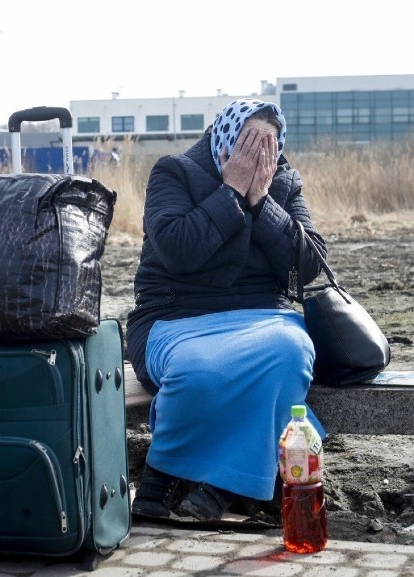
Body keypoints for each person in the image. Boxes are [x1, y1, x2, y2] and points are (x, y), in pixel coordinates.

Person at [126, 99, 327, 521]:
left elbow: (309, 265)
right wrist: (231, 192)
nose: (256, 157)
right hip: (177, 317)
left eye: (266, 147)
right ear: (225, 137)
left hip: (265, 320)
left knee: (289, 355)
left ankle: (198, 485)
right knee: (200, 370)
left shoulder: (284, 182)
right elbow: (179, 250)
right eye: (247, 144)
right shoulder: (173, 172)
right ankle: (196, 479)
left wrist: (263, 202)